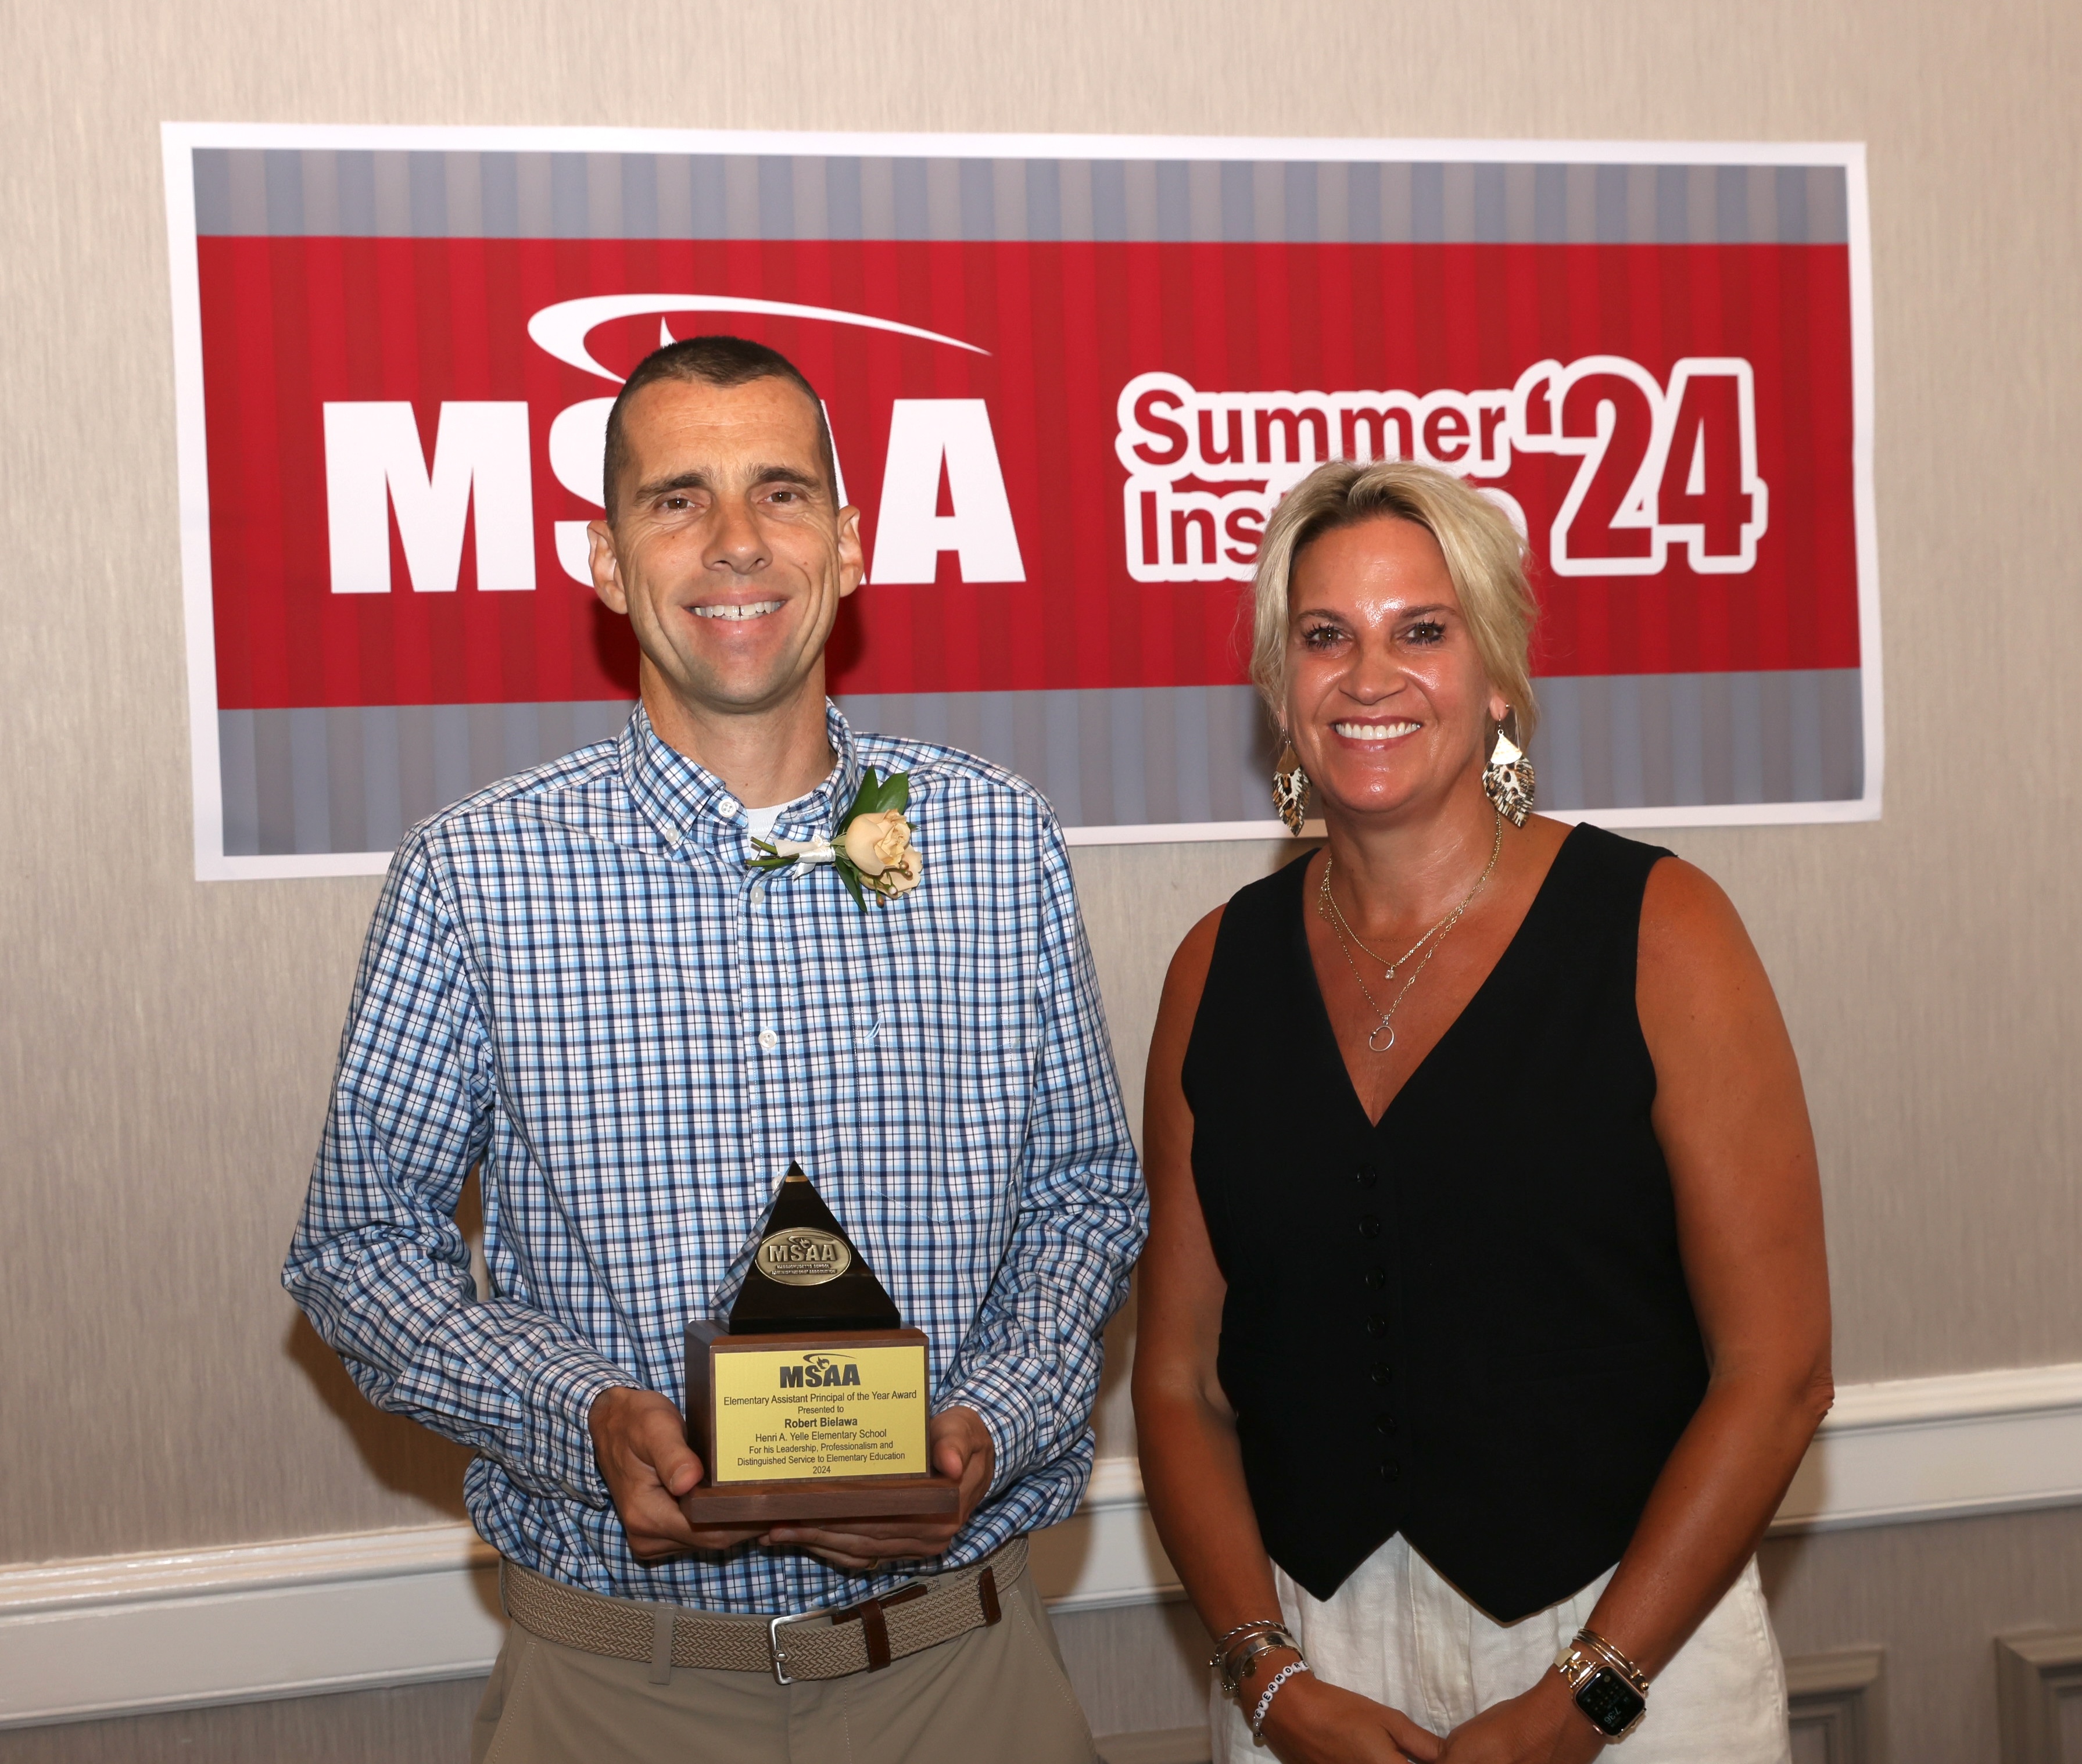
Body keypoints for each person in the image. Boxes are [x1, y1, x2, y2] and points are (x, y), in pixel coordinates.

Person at [285, 335, 1143, 1763]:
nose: (735, 543)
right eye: (677, 498)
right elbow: (360, 1248)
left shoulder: (995, 840)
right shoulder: (475, 873)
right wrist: (586, 1419)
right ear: (607, 563)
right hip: (621, 1685)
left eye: (781, 494)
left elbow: (1082, 1203)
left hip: (959, 1668)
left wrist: (989, 1422)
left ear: (851, 544)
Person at [1133, 460, 1832, 1763]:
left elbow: (1778, 1372)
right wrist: (1270, 1681)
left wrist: (1588, 1695)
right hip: (1312, 1665)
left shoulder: (1661, 930)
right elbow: (1176, 1382)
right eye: (1325, 636)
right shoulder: (1212, 970)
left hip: (1632, 1650)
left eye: (1423, 630)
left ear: (1497, 678)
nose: (1369, 676)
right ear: (1281, 691)